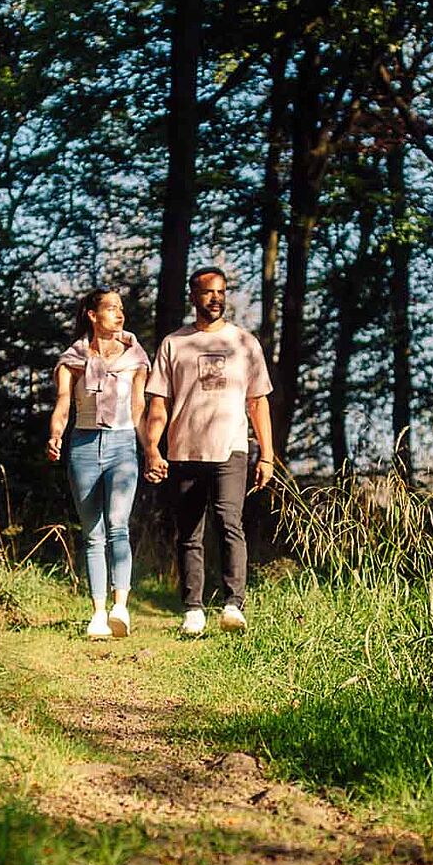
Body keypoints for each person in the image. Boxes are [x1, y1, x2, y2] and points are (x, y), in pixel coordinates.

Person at [143, 266, 274, 636]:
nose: (215, 298)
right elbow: (158, 405)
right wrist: (153, 449)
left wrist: (266, 454)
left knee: (230, 523)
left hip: (231, 448)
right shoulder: (174, 344)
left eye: (221, 291)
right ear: (193, 296)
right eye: (207, 292)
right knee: (188, 533)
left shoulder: (244, 342)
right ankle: (193, 610)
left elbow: (258, 402)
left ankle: (233, 604)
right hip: (184, 449)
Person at [47, 287, 150, 638]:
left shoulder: (136, 358)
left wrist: (150, 449)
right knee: (93, 533)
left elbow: (139, 408)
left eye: (121, 309)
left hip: (123, 444)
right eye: (111, 309)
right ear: (92, 315)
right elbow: (63, 402)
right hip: (84, 445)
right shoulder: (72, 359)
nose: (119, 315)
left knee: (118, 524)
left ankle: (121, 607)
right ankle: (98, 613)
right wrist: (56, 434)